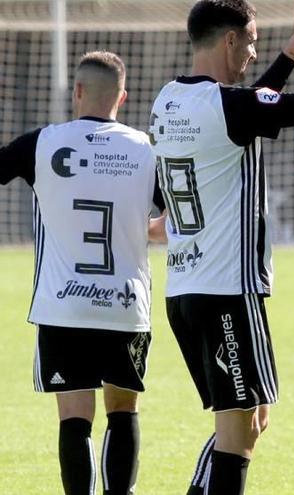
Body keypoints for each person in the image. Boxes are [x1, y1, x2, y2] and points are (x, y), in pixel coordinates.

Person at [148, 0, 294, 493]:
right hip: (228, 292)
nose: (254, 52)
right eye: (251, 41)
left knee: (248, 420)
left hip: (186, 289)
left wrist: (293, 47)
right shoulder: (229, 107)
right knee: (238, 431)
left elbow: (251, 106)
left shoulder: (170, 100)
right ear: (229, 40)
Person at [0, 51, 162, 495]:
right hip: (125, 306)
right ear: (122, 98)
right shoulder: (146, 149)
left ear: (76, 92)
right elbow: (180, 219)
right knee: (123, 411)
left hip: (63, 305)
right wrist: (141, 229)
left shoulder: (42, 142)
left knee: (74, 420)